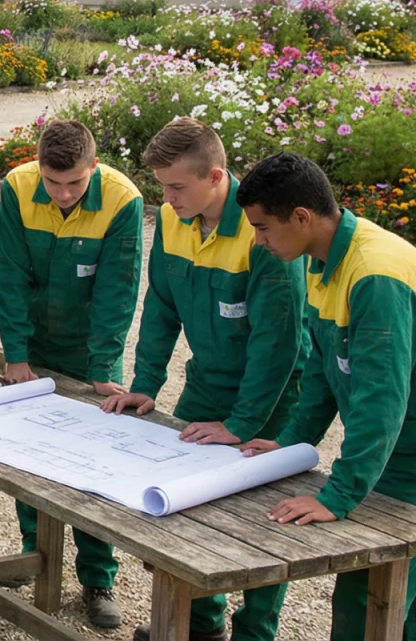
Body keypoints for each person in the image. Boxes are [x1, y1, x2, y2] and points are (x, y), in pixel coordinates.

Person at [102, 119, 306, 641]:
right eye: (161, 187)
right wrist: (144, 382)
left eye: (176, 187)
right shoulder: (175, 220)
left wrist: (241, 424)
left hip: (278, 394)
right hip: (208, 381)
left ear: (216, 177)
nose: (165, 199)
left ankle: (256, 631)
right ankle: (201, 622)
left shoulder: (263, 229)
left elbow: (276, 343)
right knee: (183, 500)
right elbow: (161, 308)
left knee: (269, 518)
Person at [234, 153, 416, 641]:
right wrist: (294, 445)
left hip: (408, 449)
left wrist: (339, 494)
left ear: (301, 217)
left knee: (377, 592)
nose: (259, 241)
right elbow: (323, 370)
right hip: (396, 442)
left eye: (263, 227)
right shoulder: (320, 259)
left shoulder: (375, 274)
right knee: (373, 593)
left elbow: (382, 399)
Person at [0, 118, 143, 628]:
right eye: (52, 183)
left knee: (93, 464)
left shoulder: (123, 200)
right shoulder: (17, 186)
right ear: (38, 167)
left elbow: (117, 293)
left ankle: (98, 576)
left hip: (87, 350)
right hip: (33, 344)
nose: (61, 193)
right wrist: (15, 353)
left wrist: (103, 368)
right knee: (28, 455)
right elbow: (9, 274)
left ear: (94, 168)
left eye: (74, 183)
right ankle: (36, 556)